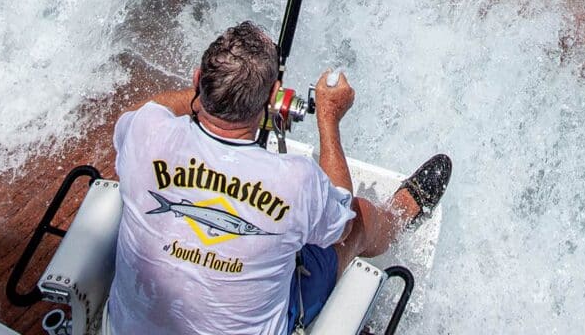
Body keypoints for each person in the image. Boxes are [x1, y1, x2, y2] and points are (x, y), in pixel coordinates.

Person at [107, 21, 451, 335]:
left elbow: (154, 107)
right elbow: (342, 219)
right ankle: (399, 214)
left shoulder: (145, 130)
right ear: (275, 99)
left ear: (198, 81)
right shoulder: (295, 182)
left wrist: (211, 95)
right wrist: (328, 118)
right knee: (358, 221)